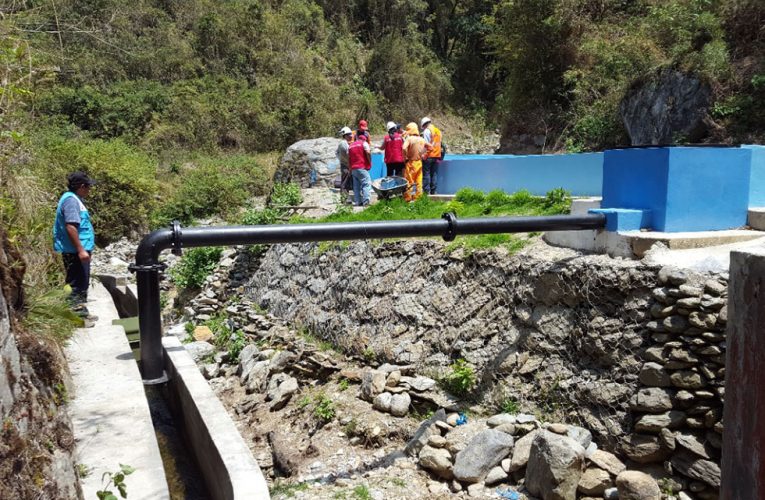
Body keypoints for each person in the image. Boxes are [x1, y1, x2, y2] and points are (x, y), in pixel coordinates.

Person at [53, 171, 97, 320]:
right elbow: (71, 226)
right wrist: (81, 250)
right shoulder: (71, 201)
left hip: (78, 249)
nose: (89, 190)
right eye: (88, 187)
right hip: (75, 251)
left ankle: (80, 313)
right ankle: (76, 316)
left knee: (81, 281)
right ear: (82, 186)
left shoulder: (74, 199)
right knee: (77, 283)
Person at [402, 122, 426, 202]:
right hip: (419, 162)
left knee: (409, 181)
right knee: (419, 181)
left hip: (411, 162)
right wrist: (424, 154)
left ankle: (408, 198)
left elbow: (404, 148)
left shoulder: (409, 139)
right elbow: (430, 147)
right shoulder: (422, 139)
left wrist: (405, 157)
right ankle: (418, 198)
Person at [348, 131, 372, 206]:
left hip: (353, 168)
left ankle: (357, 202)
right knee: (366, 183)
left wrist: (350, 168)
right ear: (364, 139)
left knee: (356, 186)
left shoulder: (351, 145)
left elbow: (349, 158)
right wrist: (369, 161)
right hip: (361, 167)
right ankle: (366, 201)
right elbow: (368, 152)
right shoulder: (364, 143)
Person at [421, 117, 443, 195]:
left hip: (429, 155)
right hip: (437, 155)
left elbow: (427, 145)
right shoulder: (438, 131)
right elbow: (440, 144)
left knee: (426, 173)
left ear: (424, 124)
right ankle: (434, 191)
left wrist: (424, 155)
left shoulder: (427, 131)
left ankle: (426, 192)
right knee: (434, 173)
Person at [336, 126, 354, 202]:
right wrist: (348, 164)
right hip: (346, 166)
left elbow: (336, 153)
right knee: (345, 182)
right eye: (348, 134)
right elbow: (348, 154)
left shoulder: (344, 143)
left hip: (345, 164)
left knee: (347, 181)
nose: (351, 136)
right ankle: (344, 199)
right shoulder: (343, 144)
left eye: (351, 134)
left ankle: (345, 198)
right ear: (345, 135)